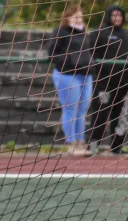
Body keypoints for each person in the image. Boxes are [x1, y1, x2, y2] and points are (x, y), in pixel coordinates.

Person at [88, 5, 128, 155]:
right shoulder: (99, 34)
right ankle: (93, 144)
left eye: (120, 15)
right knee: (100, 113)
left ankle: (117, 146)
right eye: (114, 15)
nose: (117, 18)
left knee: (120, 115)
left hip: (123, 84)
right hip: (103, 83)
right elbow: (92, 55)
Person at [47, 6, 94, 155]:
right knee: (70, 108)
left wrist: (90, 64)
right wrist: (71, 62)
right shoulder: (60, 32)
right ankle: (72, 143)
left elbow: (91, 52)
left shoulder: (86, 34)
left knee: (82, 110)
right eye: (75, 17)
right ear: (67, 18)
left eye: (80, 17)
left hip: (85, 75)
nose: (78, 19)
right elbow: (52, 53)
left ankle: (81, 142)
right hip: (66, 74)